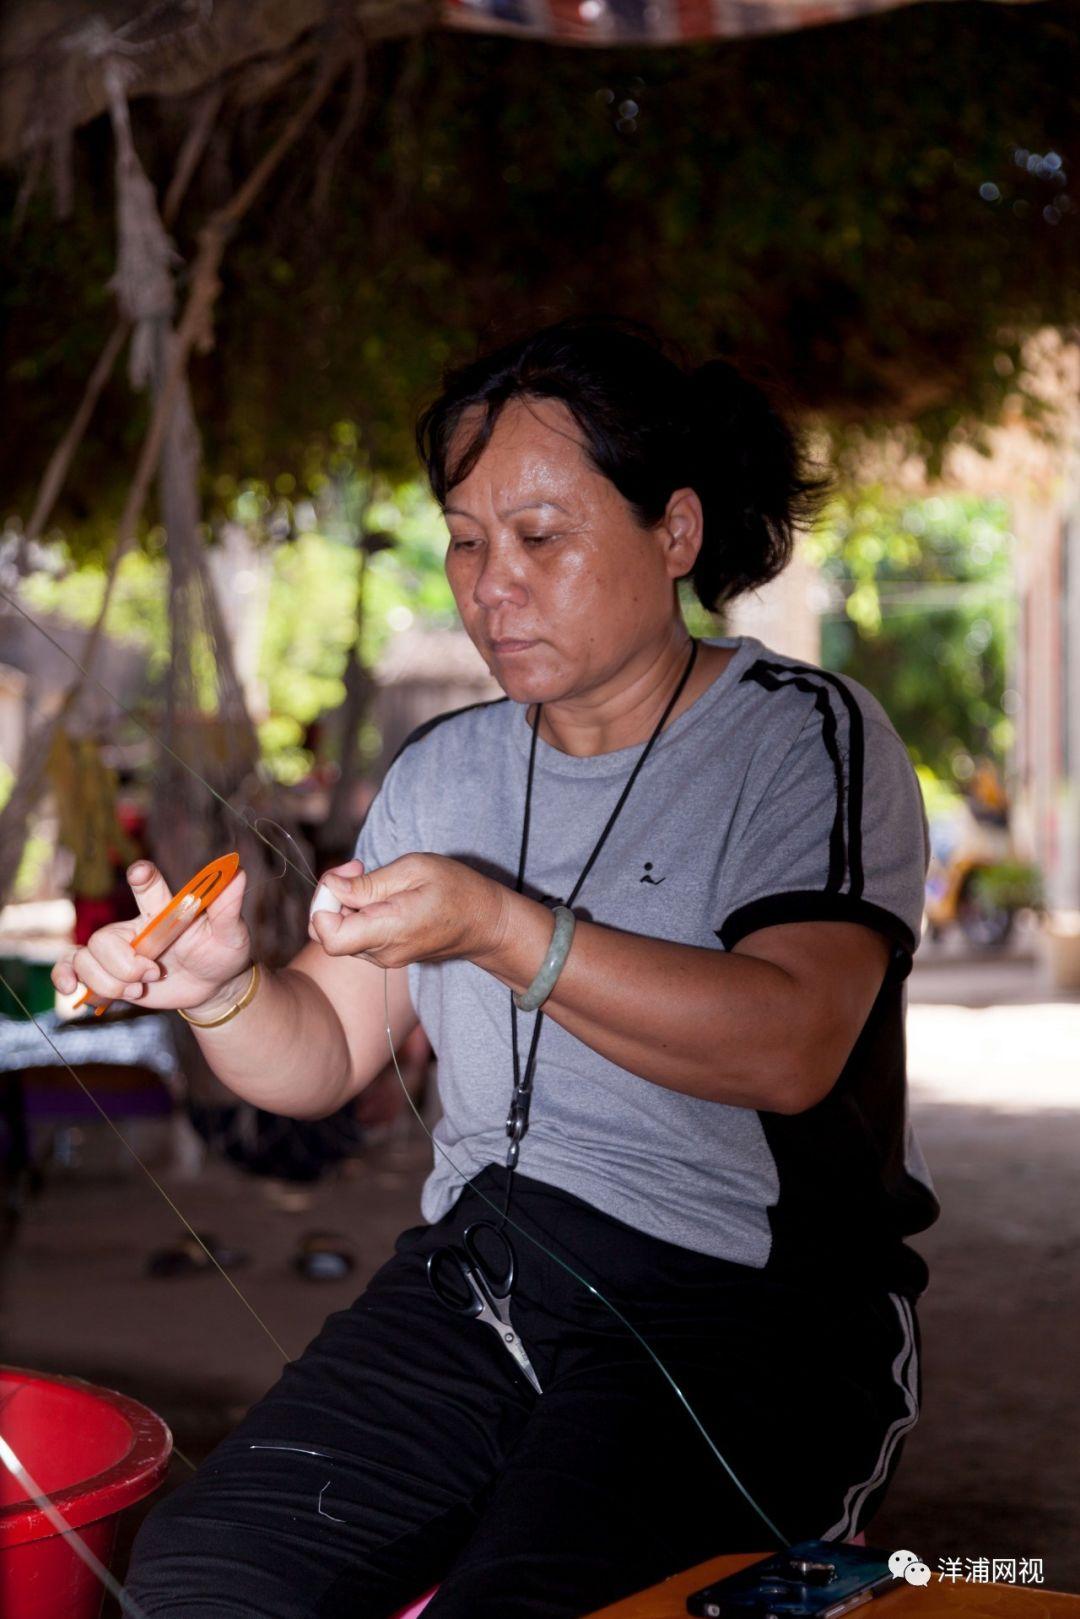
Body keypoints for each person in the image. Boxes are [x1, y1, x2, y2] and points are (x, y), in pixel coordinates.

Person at [57, 317, 939, 1619]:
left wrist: (503, 928)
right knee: (201, 1578)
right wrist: (224, 992)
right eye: (466, 539)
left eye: (541, 536)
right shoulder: (446, 770)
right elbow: (323, 1055)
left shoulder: (804, 740)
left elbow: (791, 1043)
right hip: (477, 1280)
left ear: (675, 533)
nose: (491, 583)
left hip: (743, 1319)